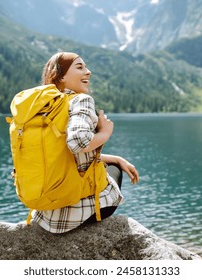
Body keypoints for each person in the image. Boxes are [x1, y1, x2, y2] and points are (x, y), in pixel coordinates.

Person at [31, 52, 139, 233]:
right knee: (114, 171)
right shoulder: (81, 100)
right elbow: (78, 143)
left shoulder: (42, 104)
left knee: (112, 164)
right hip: (76, 214)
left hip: (45, 211)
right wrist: (105, 133)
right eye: (80, 67)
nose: (88, 72)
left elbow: (62, 153)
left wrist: (116, 158)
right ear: (61, 76)